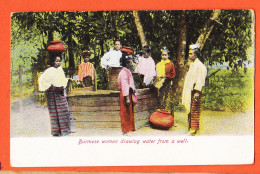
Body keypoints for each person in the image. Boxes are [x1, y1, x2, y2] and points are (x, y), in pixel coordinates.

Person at [39, 53, 75, 136]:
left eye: (59, 61)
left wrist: (68, 79)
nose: (58, 63)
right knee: (54, 112)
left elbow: (61, 80)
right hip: (52, 93)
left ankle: (65, 130)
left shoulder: (60, 69)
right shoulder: (49, 70)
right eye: (56, 61)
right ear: (53, 62)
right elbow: (42, 80)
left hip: (60, 92)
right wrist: (49, 87)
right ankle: (56, 132)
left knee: (64, 110)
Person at [182, 43, 207, 136]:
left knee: (194, 109)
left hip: (195, 91)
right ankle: (191, 127)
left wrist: (197, 92)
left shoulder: (200, 66)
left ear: (195, 55)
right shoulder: (192, 65)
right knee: (190, 108)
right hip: (190, 91)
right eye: (189, 53)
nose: (189, 55)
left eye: (191, 54)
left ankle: (194, 128)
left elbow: (200, 80)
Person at [118, 47, 137, 135]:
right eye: (129, 61)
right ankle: (125, 130)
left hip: (128, 94)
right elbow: (125, 85)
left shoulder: (127, 71)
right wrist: (127, 97)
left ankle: (129, 127)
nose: (131, 63)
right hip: (125, 95)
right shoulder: (123, 72)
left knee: (129, 112)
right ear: (126, 62)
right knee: (125, 113)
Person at [154, 48, 176, 116]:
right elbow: (155, 73)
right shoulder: (158, 64)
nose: (164, 56)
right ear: (161, 55)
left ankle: (169, 116)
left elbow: (173, 74)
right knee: (160, 98)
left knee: (167, 98)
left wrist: (166, 77)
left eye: (165, 55)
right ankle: (161, 115)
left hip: (167, 83)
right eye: (163, 55)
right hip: (159, 83)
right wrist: (156, 77)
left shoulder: (170, 64)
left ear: (168, 56)